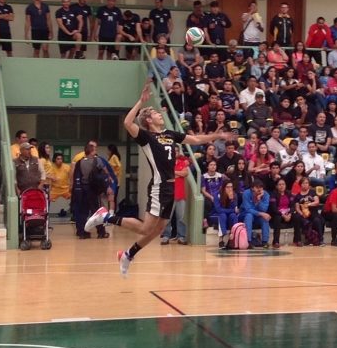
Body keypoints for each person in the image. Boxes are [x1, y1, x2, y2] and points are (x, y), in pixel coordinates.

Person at [84, 84, 233, 275]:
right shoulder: (146, 137)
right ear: (148, 119)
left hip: (171, 189)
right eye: (155, 113)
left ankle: (128, 254)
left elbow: (195, 140)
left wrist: (217, 135)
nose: (160, 114)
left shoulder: (170, 134)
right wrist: (141, 102)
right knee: (145, 229)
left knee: (158, 229)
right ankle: (104, 216)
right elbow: (128, 123)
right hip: (159, 186)